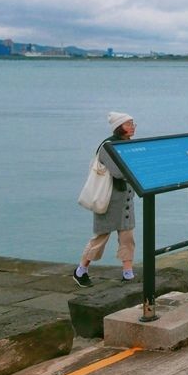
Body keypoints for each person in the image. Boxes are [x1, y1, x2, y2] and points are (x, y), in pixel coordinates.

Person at [74, 112, 138, 287]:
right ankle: (81, 270)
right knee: (101, 237)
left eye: (133, 123)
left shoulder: (128, 144)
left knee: (127, 237)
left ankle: (128, 272)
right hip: (108, 200)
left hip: (126, 199)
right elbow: (118, 172)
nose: (133, 126)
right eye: (129, 124)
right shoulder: (108, 147)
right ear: (119, 126)